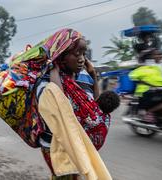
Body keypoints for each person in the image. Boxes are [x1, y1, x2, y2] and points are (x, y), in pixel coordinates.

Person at [29, 29, 117, 179]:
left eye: (84, 54)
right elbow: (60, 109)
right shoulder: (45, 81)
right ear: (61, 56)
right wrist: (54, 73)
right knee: (64, 176)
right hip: (55, 145)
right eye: (77, 54)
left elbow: (95, 110)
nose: (82, 59)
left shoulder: (84, 76)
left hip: (78, 144)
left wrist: (94, 77)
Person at [129, 48, 162, 122]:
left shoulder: (159, 66)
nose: (160, 56)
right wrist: (149, 84)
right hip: (146, 93)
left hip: (158, 90)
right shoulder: (146, 67)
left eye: (160, 54)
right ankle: (149, 112)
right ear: (151, 57)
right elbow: (133, 76)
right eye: (157, 54)